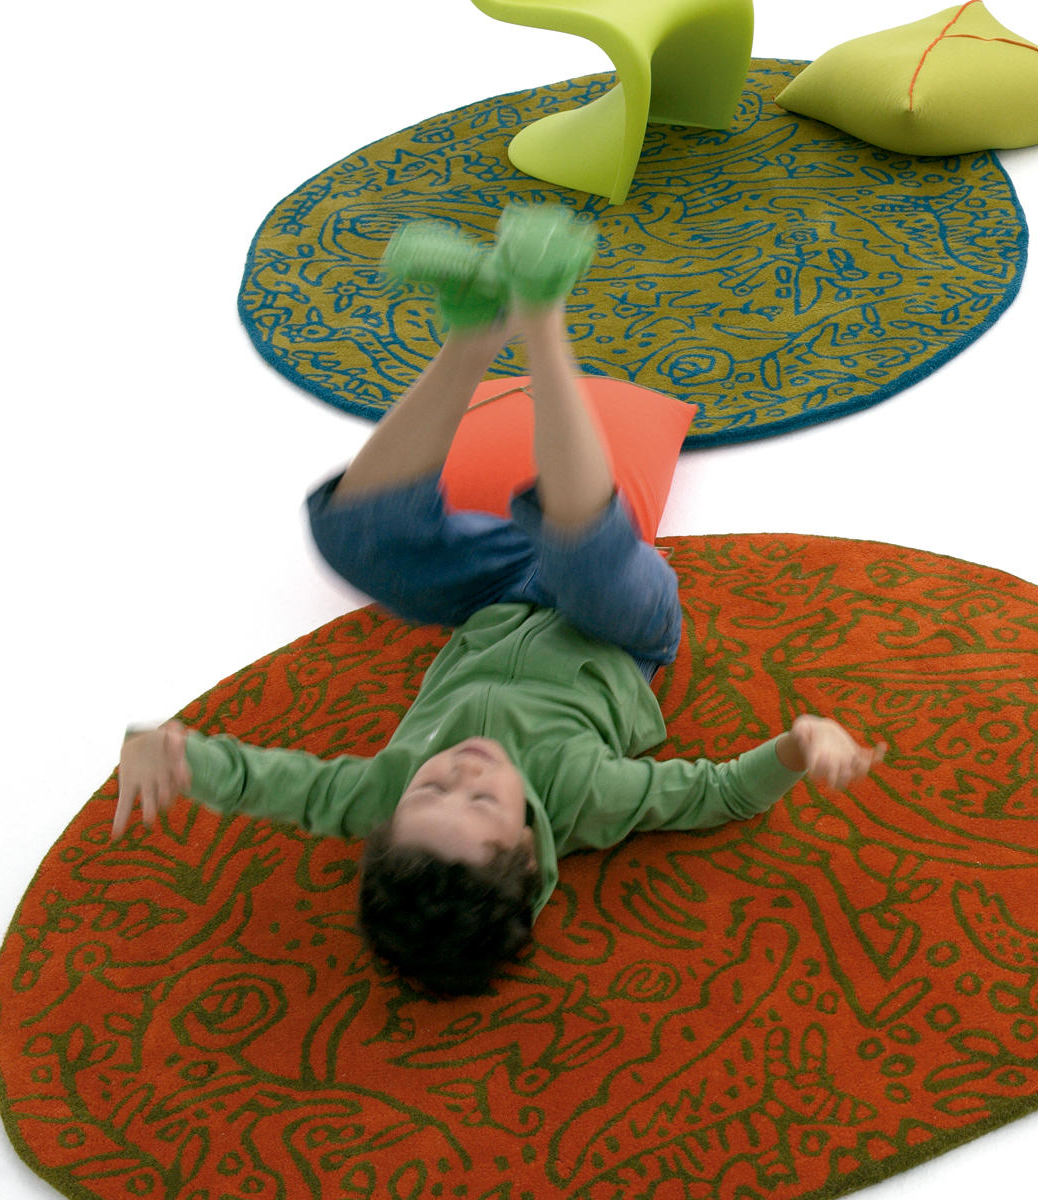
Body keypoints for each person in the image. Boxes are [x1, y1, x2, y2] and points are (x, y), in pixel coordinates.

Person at [113, 209, 885, 996]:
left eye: (429, 789)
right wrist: (801, 744)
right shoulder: (585, 798)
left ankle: (474, 328)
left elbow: (272, 785)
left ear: (388, 819)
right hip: (618, 625)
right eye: (481, 799)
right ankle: (543, 315)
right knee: (583, 559)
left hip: (491, 599)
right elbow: (716, 794)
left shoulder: (377, 795)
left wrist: (164, 749)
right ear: (525, 846)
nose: (458, 771)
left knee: (353, 538)